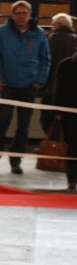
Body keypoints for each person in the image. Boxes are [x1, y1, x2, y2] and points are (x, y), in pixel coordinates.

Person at [0, 0, 49, 175]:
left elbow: (45, 59)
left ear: (30, 15)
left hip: (29, 85)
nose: (21, 16)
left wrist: (39, 80)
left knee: (23, 127)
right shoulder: (3, 32)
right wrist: (2, 80)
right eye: (18, 13)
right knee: (2, 124)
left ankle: (16, 161)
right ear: (12, 15)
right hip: (9, 85)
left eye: (24, 13)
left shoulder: (39, 33)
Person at [39, 13, 75, 134]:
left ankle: (53, 146)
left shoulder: (53, 38)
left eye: (53, 24)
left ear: (58, 25)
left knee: (48, 118)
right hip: (71, 91)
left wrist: (43, 85)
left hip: (53, 87)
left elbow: (48, 62)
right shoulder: (75, 39)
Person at [52, 49, 77, 192]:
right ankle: (72, 178)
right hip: (70, 114)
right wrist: (58, 111)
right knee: (72, 147)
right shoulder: (65, 64)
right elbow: (59, 89)